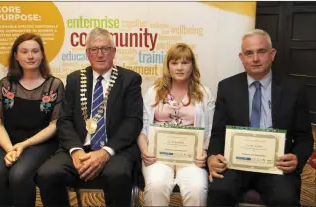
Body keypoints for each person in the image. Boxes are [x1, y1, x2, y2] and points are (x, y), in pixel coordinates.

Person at [36, 27, 143, 206]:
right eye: (94, 49)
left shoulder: (130, 79)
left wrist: (105, 152)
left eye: (105, 49)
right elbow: (64, 120)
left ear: (114, 52)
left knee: (117, 174)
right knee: (47, 174)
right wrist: (76, 151)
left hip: (115, 149)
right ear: (87, 53)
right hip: (80, 148)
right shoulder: (75, 79)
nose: (100, 54)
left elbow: (133, 121)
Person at [207, 29, 314, 206]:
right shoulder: (227, 87)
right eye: (249, 53)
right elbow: (218, 132)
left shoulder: (294, 89)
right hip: (236, 164)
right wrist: (212, 157)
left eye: (261, 52)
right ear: (242, 58)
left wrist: (296, 158)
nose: (255, 58)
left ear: (272, 54)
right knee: (219, 191)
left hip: (276, 165)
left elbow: (305, 138)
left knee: (285, 198)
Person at [0, 33, 64, 207]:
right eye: (24, 51)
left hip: (41, 143)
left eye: (35, 51)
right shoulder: (6, 85)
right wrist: (9, 148)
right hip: (7, 141)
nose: (30, 56)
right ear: (16, 56)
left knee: (19, 175)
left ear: (42, 55)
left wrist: (24, 145)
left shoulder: (54, 85)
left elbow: (55, 125)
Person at [138, 43, 215, 206]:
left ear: (192, 65)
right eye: (174, 63)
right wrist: (145, 151)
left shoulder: (204, 93)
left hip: (191, 156)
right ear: (168, 66)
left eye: (185, 62)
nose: (179, 67)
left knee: (197, 188)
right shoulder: (154, 92)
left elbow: (209, 131)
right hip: (157, 156)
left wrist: (204, 152)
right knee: (156, 186)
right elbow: (142, 127)